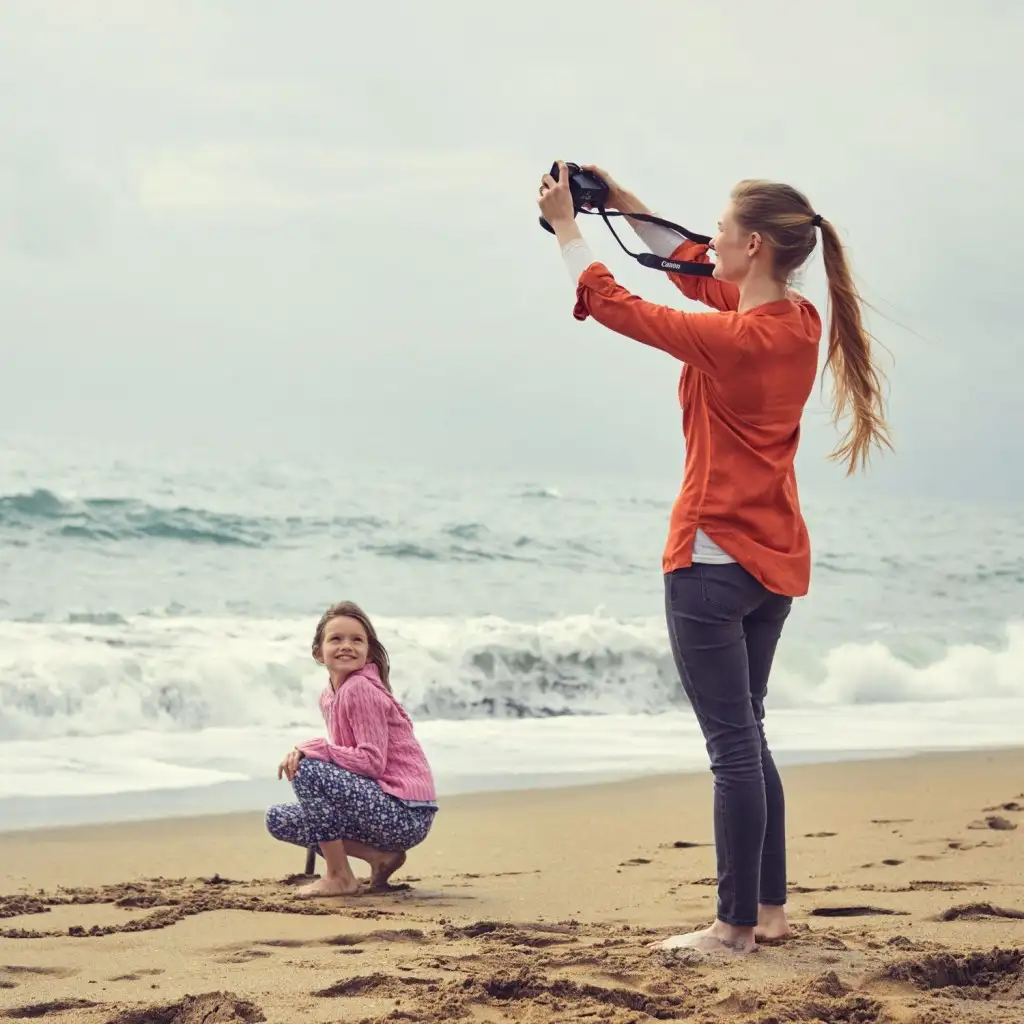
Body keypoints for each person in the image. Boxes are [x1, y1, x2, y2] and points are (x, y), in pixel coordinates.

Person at [537, 163, 891, 955]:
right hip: (772, 565)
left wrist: (568, 228)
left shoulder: (735, 340)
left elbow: (618, 306)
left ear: (755, 245)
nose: (715, 238)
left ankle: (732, 928)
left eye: (725, 228)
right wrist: (619, 203)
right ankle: (769, 912)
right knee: (749, 739)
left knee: (732, 749)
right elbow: (689, 262)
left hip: (711, 560)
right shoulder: (797, 322)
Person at [266, 601, 438, 897]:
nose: (346, 646)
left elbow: (371, 763)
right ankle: (378, 857)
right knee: (278, 819)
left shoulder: (360, 688)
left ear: (368, 652)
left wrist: (315, 750)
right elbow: (342, 767)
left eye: (357, 640)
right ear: (318, 652)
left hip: (406, 813)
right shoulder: (329, 696)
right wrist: (316, 757)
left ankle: (339, 877)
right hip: (376, 808)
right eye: (336, 639)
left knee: (307, 768)